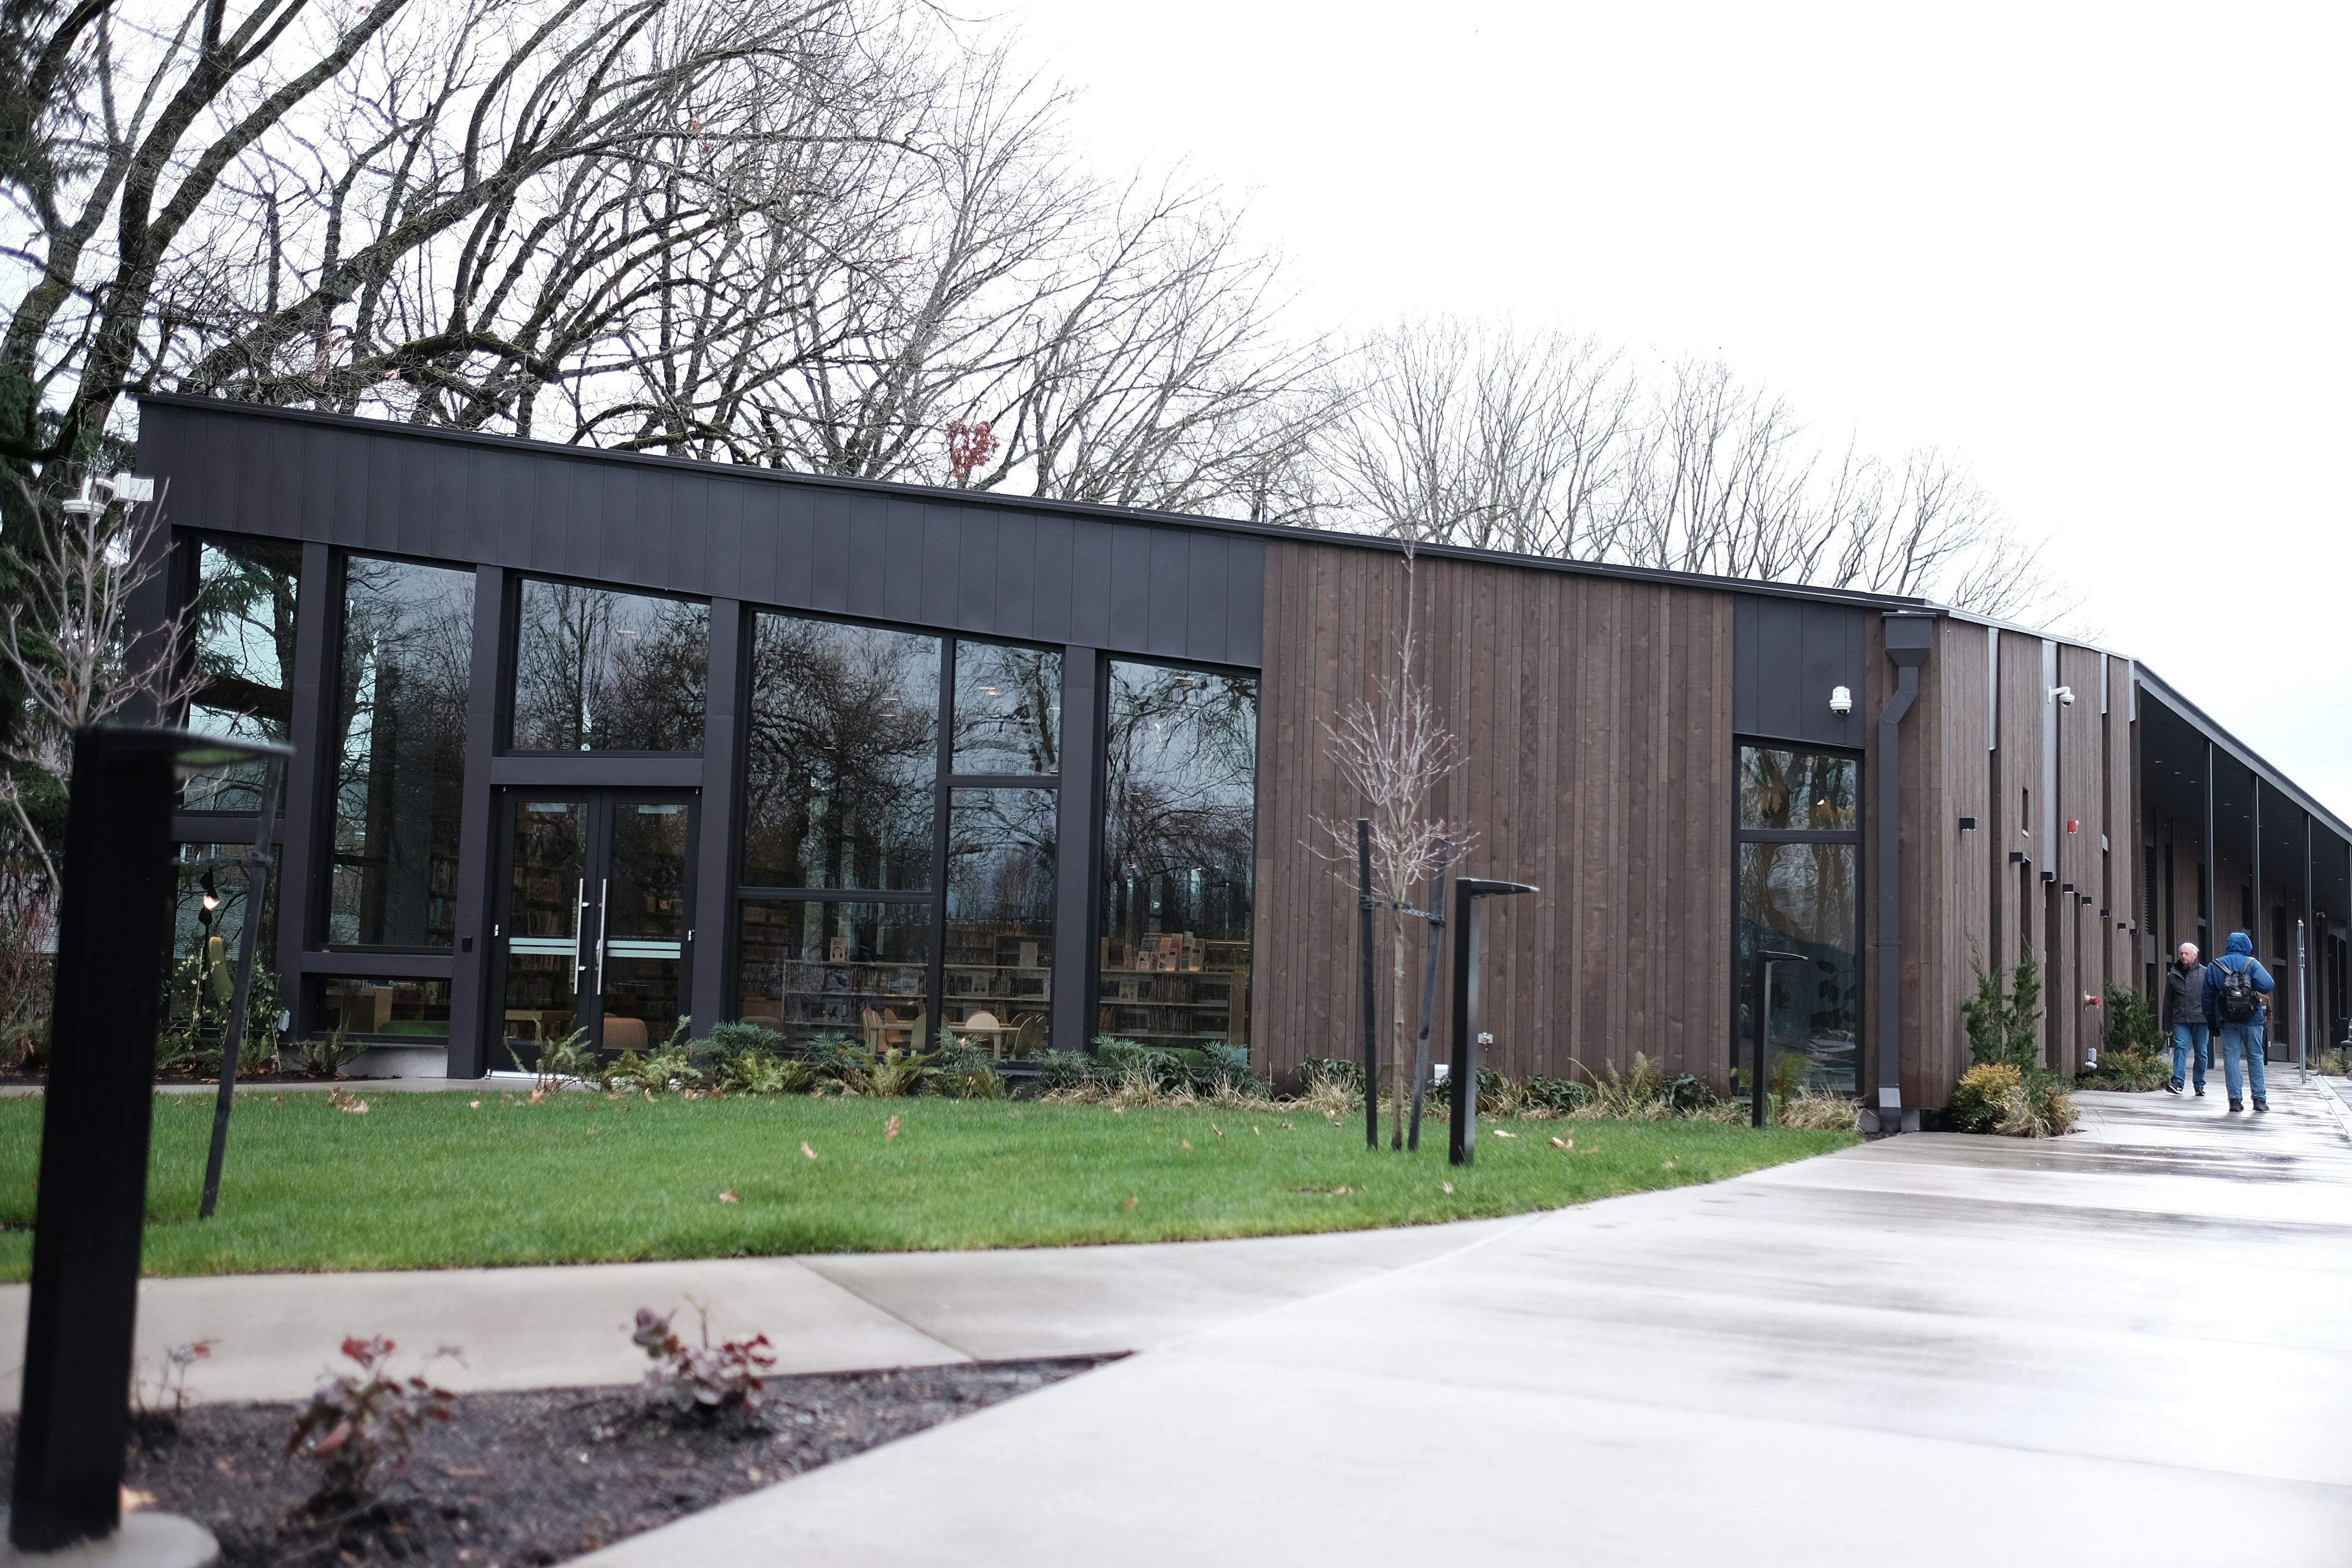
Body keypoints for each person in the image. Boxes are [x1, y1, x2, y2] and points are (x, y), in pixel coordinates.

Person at [2205, 930, 2275, 1113]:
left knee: (2231, 1058)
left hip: (2226, 1019)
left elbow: (2207, 998)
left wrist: (2212, 1023)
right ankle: (2259, 1100)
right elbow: (2269, 985)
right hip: (2252, 1019)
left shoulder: (2215, 966)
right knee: (2255, 1056)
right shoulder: (2252, 963)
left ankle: (2235, 1101)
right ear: (2247, 946)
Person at [2161, 942, 2210, 1096]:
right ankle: (2178, 1082)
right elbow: (2168, 1001)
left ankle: (2199, 1085)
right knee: (2180, 1048)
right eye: (2181, 953)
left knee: (2201, 1052)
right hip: (2181, 1019)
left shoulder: (2205, 973)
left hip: (2201, 1020)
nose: (2183, 956)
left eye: (2186, 953)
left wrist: (2214, 1019)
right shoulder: (2173, 974)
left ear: (2195, 955)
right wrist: (2166, 1024)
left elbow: (2211, 997)